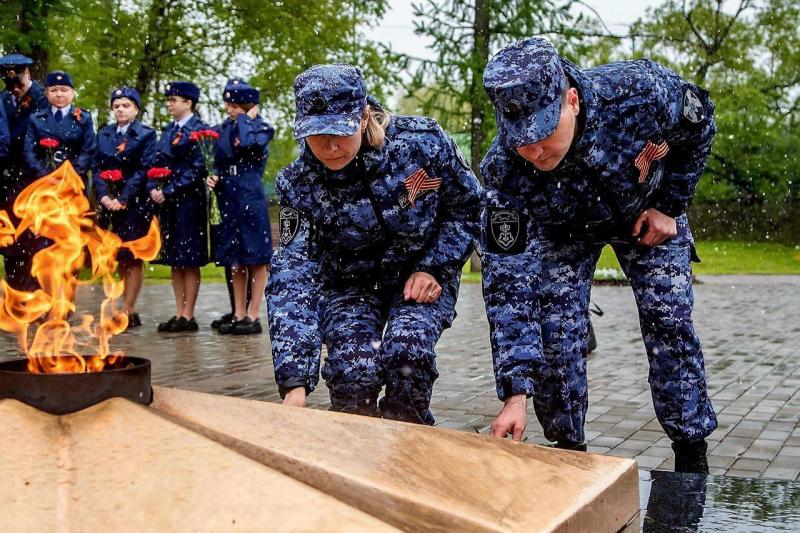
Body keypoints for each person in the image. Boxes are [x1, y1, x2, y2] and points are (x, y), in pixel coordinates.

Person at [480, 38, 717, 473]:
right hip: (565, 233)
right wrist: (516, 394)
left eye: (543, 134)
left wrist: (671, 204)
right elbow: (507, 284)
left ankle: (691, 452)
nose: (533, 152)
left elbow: (700, 122)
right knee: (556, 332)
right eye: (520, 141)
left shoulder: (640, 92)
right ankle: (569, 454)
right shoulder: (502, 172)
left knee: (669, 317)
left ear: (570, 100)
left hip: (648, 212)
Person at [267, 64, 481, 423]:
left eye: (339, 132)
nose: (330, 147)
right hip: (349, 287)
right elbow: (293, 273)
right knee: (353, 372)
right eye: (317, 135)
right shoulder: (297, 183)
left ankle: (408, 445)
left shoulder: (421, 145)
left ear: (364, 116)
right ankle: (354, 457)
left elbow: (468, 206)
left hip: (420, 275)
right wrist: (294, 384)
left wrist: (435, 266)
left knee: (406, 356)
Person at [207, 79, 274, 335]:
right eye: (227, 104)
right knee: (234, 258)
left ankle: (253, 314)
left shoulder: (262, 128)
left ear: (247, 106)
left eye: (235, 105)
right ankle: (238, 312)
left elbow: (248, 144)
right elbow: (217, 156)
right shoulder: (223, 128)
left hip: (250, 193)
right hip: (227, 195)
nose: (228, 109)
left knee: (256, 257)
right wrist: (213, 174)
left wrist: (246, 119)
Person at [93, 87, 157, 329]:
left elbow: (144, 170)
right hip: (110, 205)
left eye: (126, 105)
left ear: (136, 109)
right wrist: (103, 196)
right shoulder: (105, 133)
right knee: (117, 256)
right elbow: (97, 166)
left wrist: (123, 197)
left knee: (133, 256)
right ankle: (119, 304)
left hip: (134, 204)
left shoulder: (145, 135)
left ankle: (130, 309)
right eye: (117, 105)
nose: (120, 109)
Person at [147, 81, 209, 333]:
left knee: (189, 258)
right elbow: (156, 160)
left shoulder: (200, 130)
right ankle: (178, 311)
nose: (169, 104)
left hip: (189, 202)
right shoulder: (168, 130)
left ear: (188, 103)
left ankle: (189, 314)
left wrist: (169, 190)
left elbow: (197, 168)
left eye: (174, 100)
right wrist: (154, 186)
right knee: (174, 258)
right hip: (169, 204)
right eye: (168, 100)